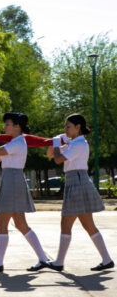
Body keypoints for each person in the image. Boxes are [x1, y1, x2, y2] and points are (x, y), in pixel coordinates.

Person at [0, 112, 49, 272]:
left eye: (8, 124)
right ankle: (43, 258)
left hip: (12, 180)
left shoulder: (17, 142)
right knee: (20, 224)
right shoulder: (13, 143)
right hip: (11, 179)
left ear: (17, 126)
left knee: (2, 222)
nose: (5, 127)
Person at [44, 113, 113, 272]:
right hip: (74, 180)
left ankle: (59, 262)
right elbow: (49, 154)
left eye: (68, 126)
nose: (65, 129)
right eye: (65, 127)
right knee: (88, 225)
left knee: (66, 223)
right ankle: (107, 259)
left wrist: (56, 145)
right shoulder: (71, 141)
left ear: (78, 127)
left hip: (77, 181)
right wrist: (55, 142)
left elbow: (58, 159)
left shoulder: (79, 144)